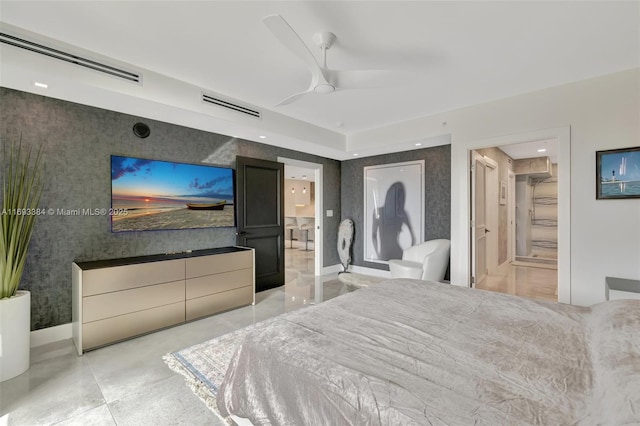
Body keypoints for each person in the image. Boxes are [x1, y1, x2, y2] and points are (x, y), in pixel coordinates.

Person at [371, 181, 416, 261]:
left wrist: (378, 254)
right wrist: (377, 254)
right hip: (387, 255)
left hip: (395, 254)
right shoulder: (378, 212)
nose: (399, 200)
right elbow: (373, 235)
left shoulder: (401, 213)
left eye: (400, 197)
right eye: (398, 196)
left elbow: (413, 238)